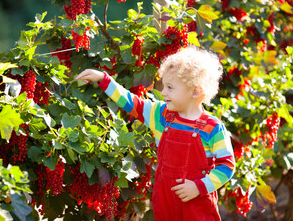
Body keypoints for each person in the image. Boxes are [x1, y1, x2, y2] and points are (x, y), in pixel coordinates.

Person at [75, 46, 235, 221]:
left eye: (170, 87)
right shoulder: (160, 115)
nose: (163, 92)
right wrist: (104, 79)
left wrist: (199, 187)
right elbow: (131, 102)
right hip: (165, 202)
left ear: (195, 91)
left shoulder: (212, 128)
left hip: (196, 206)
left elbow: (226, 166)